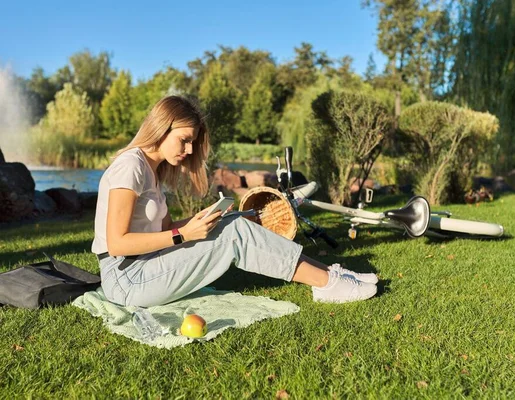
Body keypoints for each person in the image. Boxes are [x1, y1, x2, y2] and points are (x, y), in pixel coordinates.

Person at [92, 95, 378, 307]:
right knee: (234, 234)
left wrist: (201, 221)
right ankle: (327, 284)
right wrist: (184, 234)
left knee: (231, 224)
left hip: (146, 265)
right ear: (161, 128)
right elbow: (117, 243)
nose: (189, 150)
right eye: (184, 140)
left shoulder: (152, 171)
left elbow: (162, 230)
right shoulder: (130, 166)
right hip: (126, 278)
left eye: (192, 142)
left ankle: (328, 273)